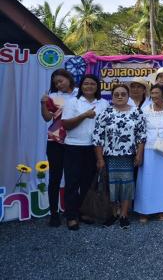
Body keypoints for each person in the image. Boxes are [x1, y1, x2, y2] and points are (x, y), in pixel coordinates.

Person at [93, 84, 146, 229]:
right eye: (116, 94)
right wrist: (99, 159)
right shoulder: (105, 113)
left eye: (123, 94)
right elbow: (97, 138)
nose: (120, 97)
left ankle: (123, 215)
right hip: (110, 157)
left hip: (128, 157)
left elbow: (141, 136)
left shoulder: (136, 112)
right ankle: (113, 214)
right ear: (112, 97)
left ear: (128, 96)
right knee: (111, 186)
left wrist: (139, 154)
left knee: (126, 186)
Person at [61, 74, 109, 230]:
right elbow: (66, 125)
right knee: (72, 182)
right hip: (73, 147)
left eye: (93, 84)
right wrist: (84, 115)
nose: (89, 86)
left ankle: (84, 212)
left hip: (93, 148)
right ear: (81, 86)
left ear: (97, 87)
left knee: (87, 183)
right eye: (86, 83)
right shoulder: (72, 102)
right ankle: (71, 216)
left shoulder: (103, 103)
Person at [40, 69, 77, 227]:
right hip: (55, 141)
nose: (58, 85)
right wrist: (43, 103)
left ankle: (71, 213)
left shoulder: (80, 94)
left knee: (72, 179)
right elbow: (47, 117)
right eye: (56, 83)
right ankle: (54, 214)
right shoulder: (53, 96)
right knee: (55, 178)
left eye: (61, 81)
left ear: (69, 78)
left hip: (75, 141)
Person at [135, 84, 163, 222]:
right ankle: (145, 210)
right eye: (152, 93)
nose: (154, 96)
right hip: (148, 150)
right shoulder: (145, 109)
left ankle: (162, 209)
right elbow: (140, 132)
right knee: (146, 180)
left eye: (157, 93)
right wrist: (139, 152)